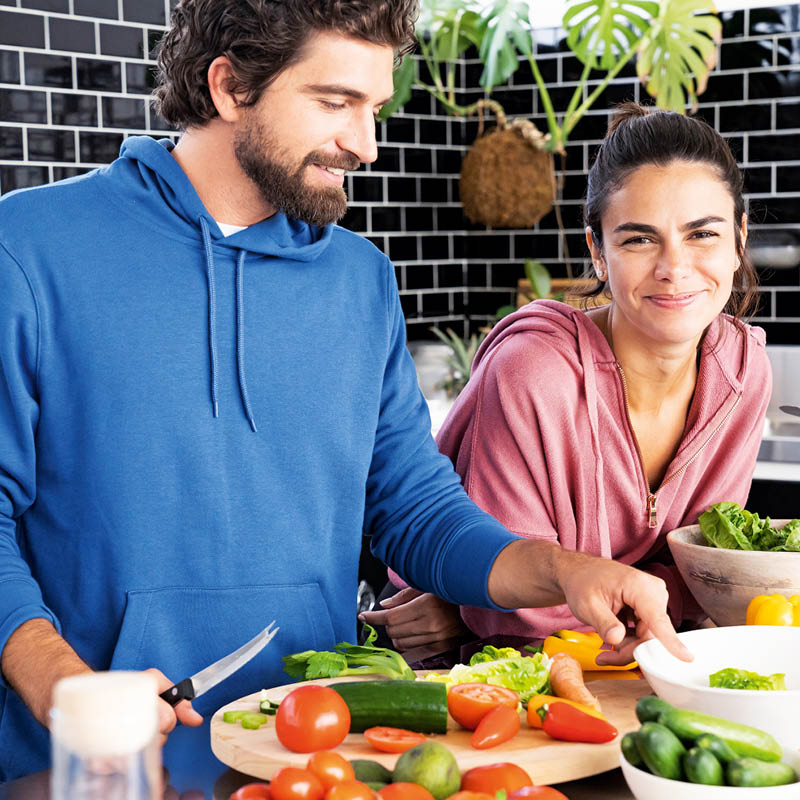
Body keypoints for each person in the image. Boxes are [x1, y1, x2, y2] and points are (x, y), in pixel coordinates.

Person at [0, 3, 689, 782]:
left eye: (375, 108)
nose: (364, 144)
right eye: (335, 103)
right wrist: (66, 688)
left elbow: (414, 509)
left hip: (310, 759)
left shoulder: (360, 280)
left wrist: (564, 571)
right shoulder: (28, 250)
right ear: (230, 87)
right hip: (96, 766)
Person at [363, 103, 771, 650]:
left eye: (703, 234)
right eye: (638, 240)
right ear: (597, 252)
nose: (674, 268)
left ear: (739, 238)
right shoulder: (534, 372)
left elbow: (710, 576)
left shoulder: (742, 372)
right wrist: (657, 605)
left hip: (628, 667)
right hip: (475, 676)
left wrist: (661, 601)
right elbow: (515, 621)